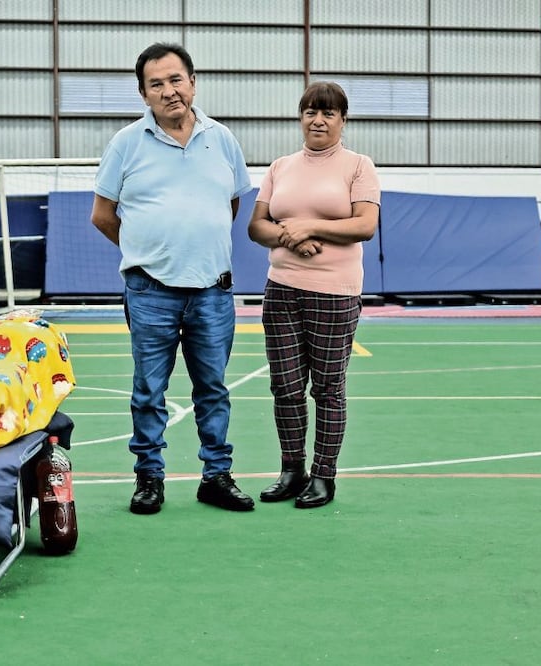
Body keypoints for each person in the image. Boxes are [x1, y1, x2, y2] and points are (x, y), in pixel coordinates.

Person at [91, 42, 254, 515]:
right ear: (143, 94)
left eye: (175, 79)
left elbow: (230, 205)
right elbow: (103, 216)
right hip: (150, 292)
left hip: (212, 291)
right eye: (156, 84)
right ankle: (149, 479)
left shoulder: (221, 139)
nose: (168, 91)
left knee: (213, 389)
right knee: (148, 391)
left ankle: (216, 477)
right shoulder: (126, 143)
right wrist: (146, 250)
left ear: (193, 82)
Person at [247, 81, 380, 509]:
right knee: (285, 386)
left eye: (328, 113)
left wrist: (311, 228)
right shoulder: (280, 166)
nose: (317, 120)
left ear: (342, 120)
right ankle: (292, 469)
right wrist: (291, 239)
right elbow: (257, 226)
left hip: (334, 294)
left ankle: (324, 475)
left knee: (327, 389)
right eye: (310, 111)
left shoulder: (358, 166)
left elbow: (364, 225)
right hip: (282, 291)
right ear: (300, 116)